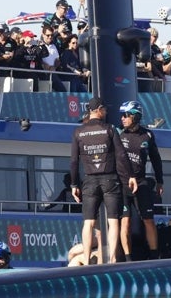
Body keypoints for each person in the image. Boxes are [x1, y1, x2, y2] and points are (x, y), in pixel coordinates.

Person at [70, 96, 130, 265]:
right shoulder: (110, 129)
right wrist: (130, 176)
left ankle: (87, 261)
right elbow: (121, 155)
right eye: (104, 109)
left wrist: (74, 184)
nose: (106, 111)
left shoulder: (78, 132)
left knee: (88, 223)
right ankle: (112, 260)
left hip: (89, 180)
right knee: (113, 221)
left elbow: (74, 161)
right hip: (110, 178)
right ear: (98, 110)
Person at [117, 100, 164, 260]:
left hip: (141, 182)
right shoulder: (118, 133)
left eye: (126, 115)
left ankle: (154, 256)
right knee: (125, 222)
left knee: (148, 220)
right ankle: (128, 259)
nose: (122, 118)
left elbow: (156, 159)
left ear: (135, 116)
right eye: (121, 115)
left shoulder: (148, 135)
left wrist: (160, 181)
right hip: (122, 184)